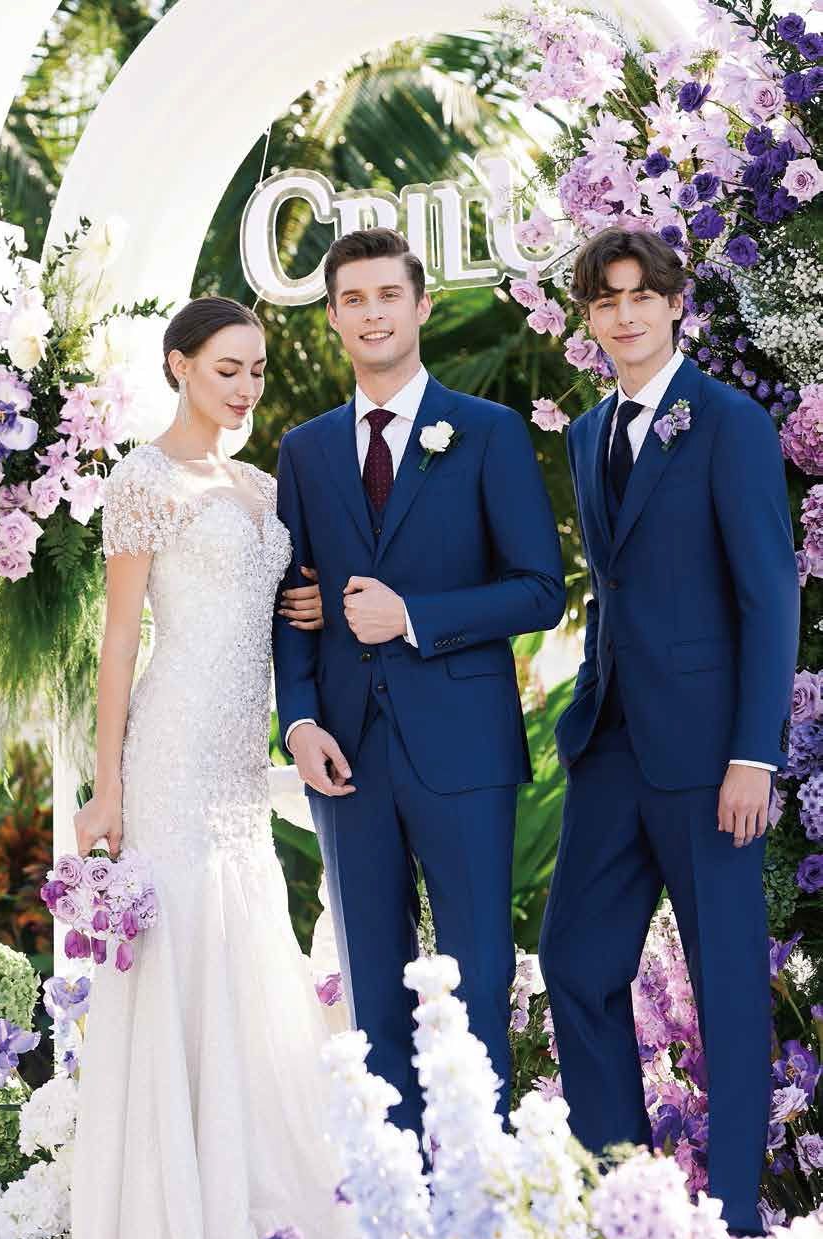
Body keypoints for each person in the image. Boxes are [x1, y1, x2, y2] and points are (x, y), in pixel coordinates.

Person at [0, 296, 358, 1239]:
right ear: (179, 365)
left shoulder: (261, 487)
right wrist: (107, 785)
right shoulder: (143, 481)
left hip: (240, 757)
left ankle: (251, 1210)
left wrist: (308, 608)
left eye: (256, 369)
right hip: (171, 748)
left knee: (243, 945)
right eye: (226, 368)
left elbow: (281, 607)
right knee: (182, 949)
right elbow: (121, 640)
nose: (246, 387)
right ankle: (175, 1230)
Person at [273, 227, 565, 1136]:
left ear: (421, 307)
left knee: (476, 977)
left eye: (387, 296)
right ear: (332, 318)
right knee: (372, 983)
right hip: (345, 754)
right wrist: (299, 721)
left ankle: (482, 1185)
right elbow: (291, 602)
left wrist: (412, 616)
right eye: (352, 300)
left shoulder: (487, 432)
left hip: (463, 750)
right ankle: (400, 1194)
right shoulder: (304, 451)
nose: (371, 314)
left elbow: (540, 589)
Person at [538, 227, 800, 1237]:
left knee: (726, 986)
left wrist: (754, 753)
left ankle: (732, 1226)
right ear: (590, 317)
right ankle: (631, 1212)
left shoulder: (728, 422)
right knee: (574, 963)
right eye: (605, 301)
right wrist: (586, 702)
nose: (624, 315)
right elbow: (613, 588)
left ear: (673, 303)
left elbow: (768, 593)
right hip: (610, 746)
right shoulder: (587, 433)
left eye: (640, 295)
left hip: (710, 756)